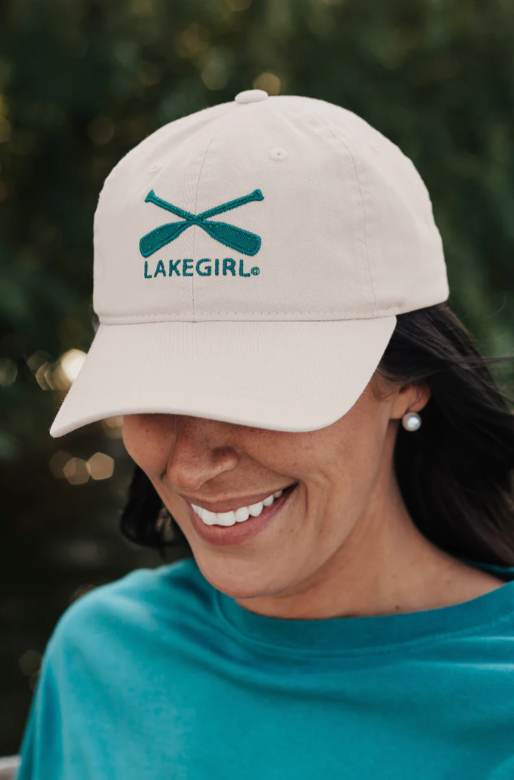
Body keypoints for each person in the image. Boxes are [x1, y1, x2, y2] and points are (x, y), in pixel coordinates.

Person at [16, 90, 514, 780]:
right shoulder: (99, 661)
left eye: (259, 393)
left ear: (407, 380)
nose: (191, 467)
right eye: (153, 393)